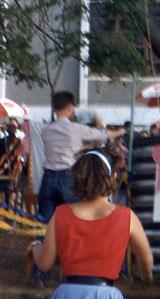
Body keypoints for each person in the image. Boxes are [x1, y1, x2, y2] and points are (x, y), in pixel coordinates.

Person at [26, 147, 152, 299]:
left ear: (78, 178)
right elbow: (146, 259)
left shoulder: (61, 214)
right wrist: (146, 276)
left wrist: (35, 248)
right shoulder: (126, 217)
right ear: (112, 176)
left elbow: (45, 263)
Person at [38, 91, 126, 222]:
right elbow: (103, 135)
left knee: (46, 222)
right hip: (68, 178)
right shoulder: (76, 129)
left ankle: (41, 241)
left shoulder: (46, 131)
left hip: (48, 178)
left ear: (55, 109)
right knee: (74, 218)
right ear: (69, 108)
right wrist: (121, 131)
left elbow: (68, 147)